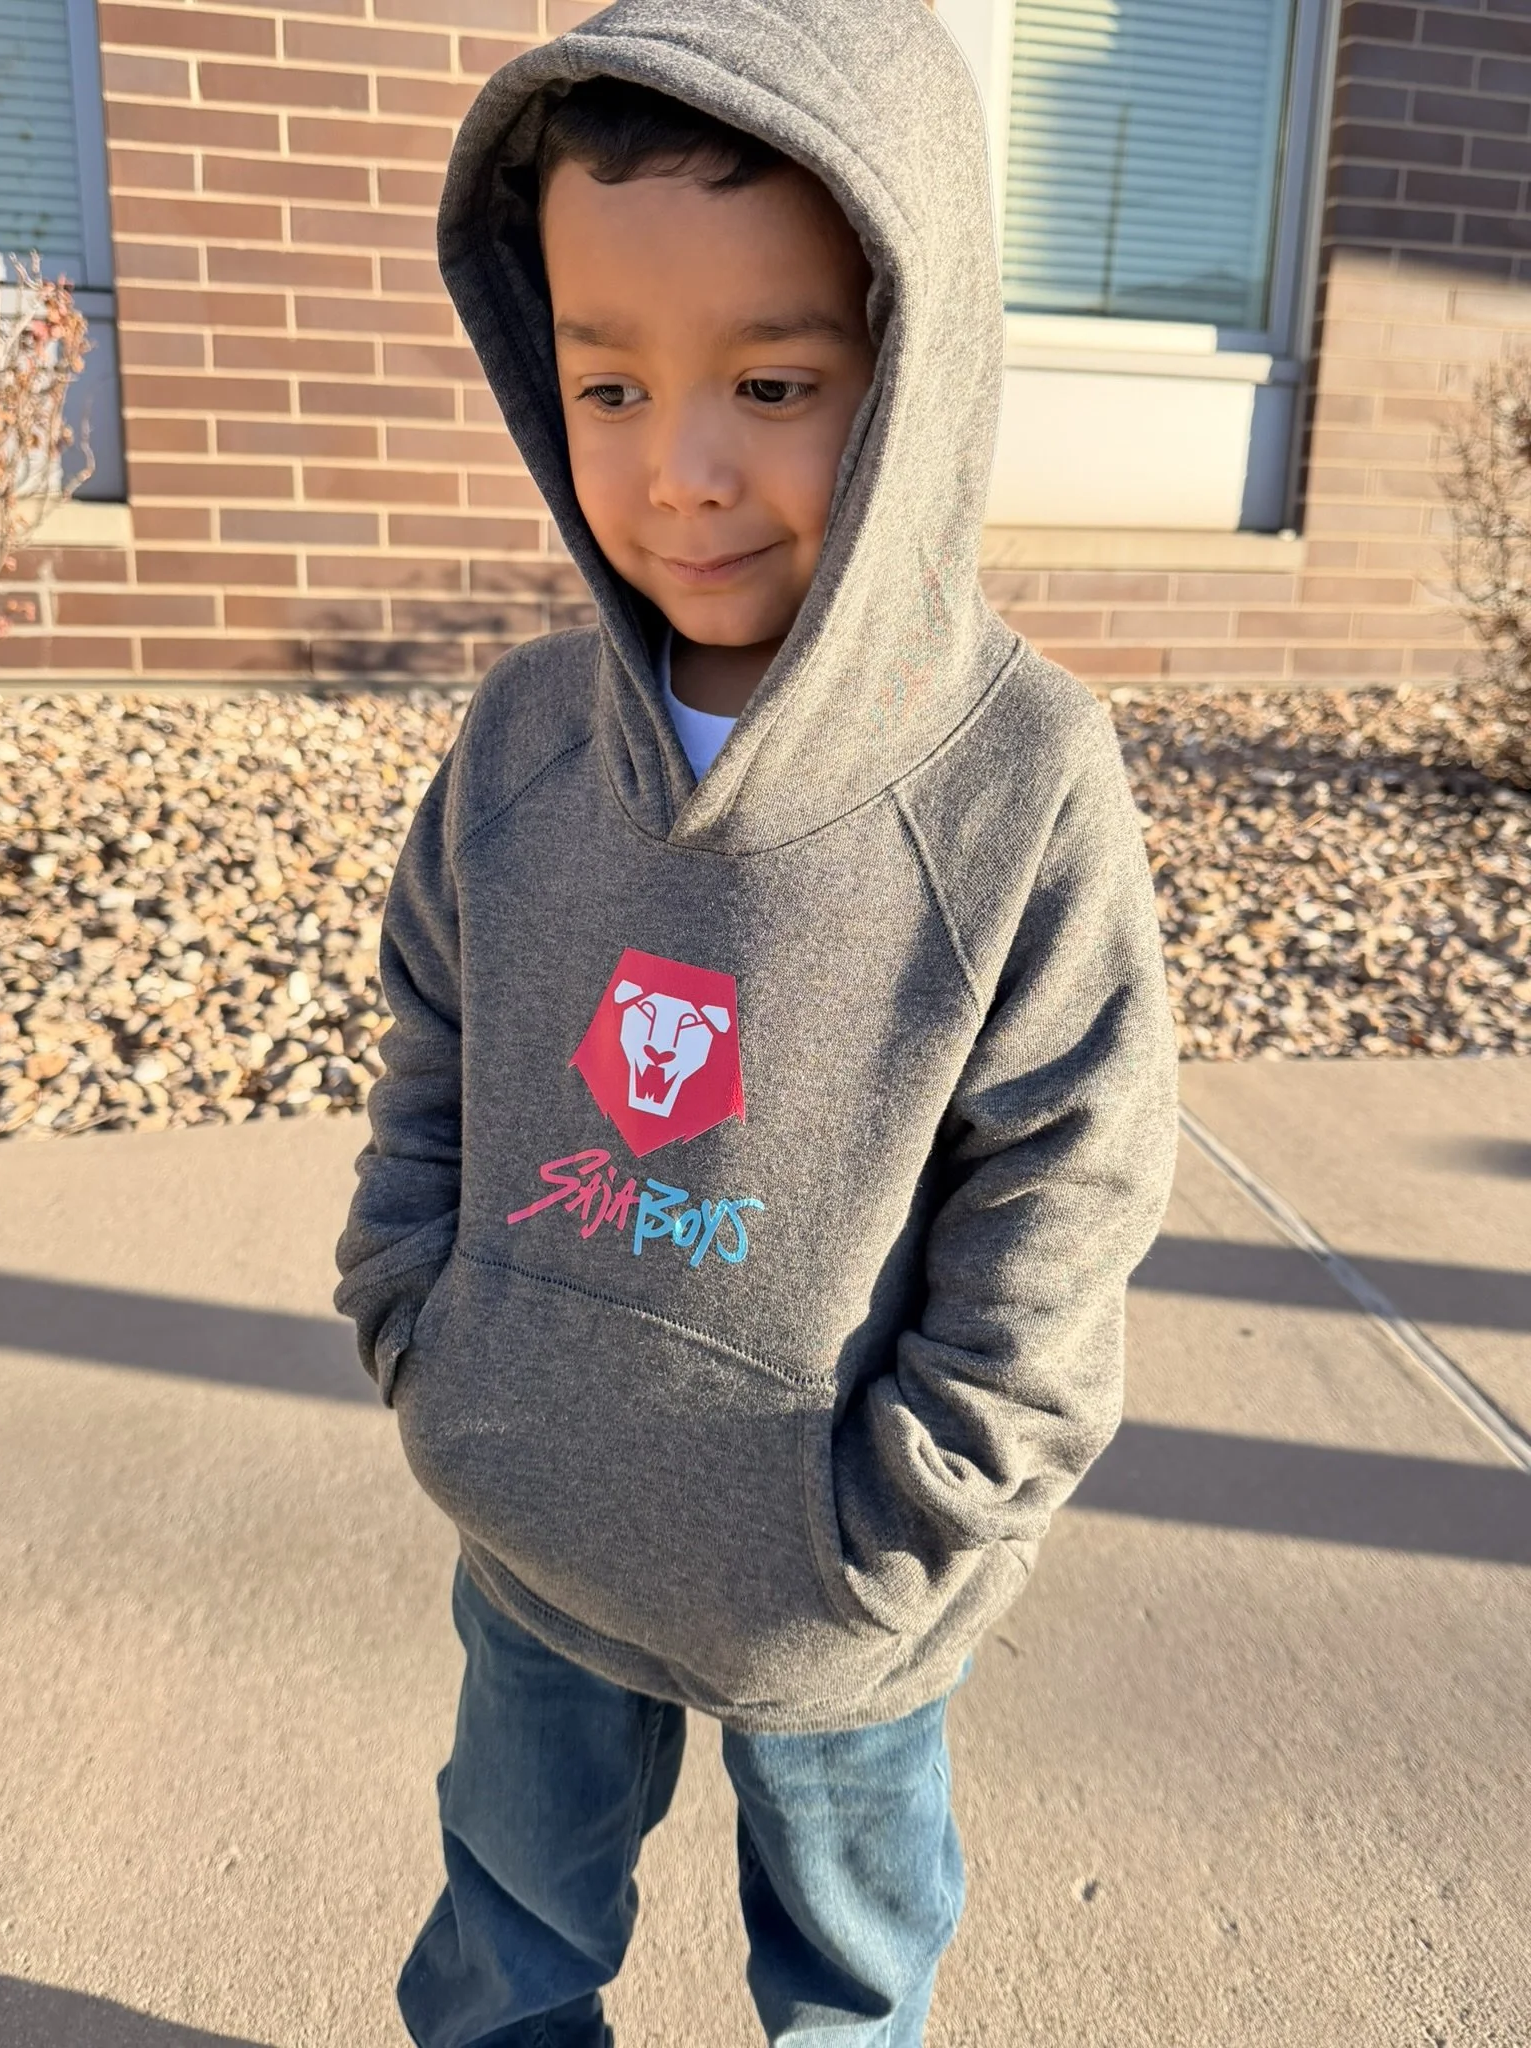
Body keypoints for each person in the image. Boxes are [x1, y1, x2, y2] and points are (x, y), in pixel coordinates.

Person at [334, 1, 1179, 2041]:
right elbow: (432, 1032)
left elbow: (1064, 1181)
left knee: (849, 1982)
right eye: (607, 381)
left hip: (838, 1602)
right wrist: (418, 1319)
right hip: (532, 1516)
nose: (678, 471)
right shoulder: (529, 737)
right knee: (501, 1945)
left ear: (919, 365)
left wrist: (917, 1520)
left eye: (774, 381)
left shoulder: (1021, 780)